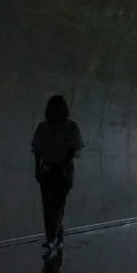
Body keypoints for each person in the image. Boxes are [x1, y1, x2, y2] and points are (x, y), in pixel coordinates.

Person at [32, 95, 83, 253]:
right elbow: (38, 150)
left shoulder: (70, 127)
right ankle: (55, 236)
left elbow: (72, 149)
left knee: (57, 204)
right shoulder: (44, 128)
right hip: (51, 168)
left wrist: (62, 166)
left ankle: (51, 238)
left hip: (62, 168)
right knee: (50, 205)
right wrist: (38, 168)